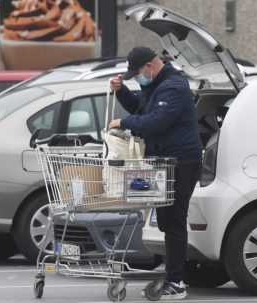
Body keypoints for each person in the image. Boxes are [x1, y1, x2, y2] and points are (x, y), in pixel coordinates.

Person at [109, 46, 202, 300]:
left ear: (150, 66)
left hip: (181, 161)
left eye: (137, 73)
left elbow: (156, 121)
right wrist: (122, 92)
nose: (137, 78)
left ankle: (176, 282)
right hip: (164, 161)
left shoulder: (173, 86)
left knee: (173, 220)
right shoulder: (156, 85)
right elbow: (142, 109)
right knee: (165, 220)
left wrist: (123, 123)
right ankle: (172, 272)